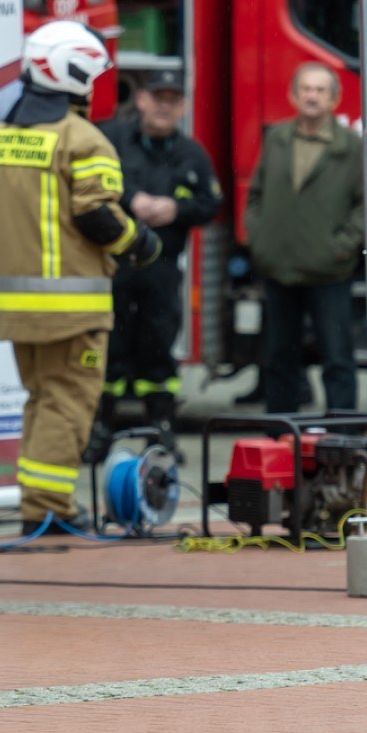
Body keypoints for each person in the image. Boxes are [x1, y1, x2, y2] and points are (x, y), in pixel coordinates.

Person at [0, 20, 160, 535]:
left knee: (42, 400)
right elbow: (96, 216)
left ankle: (37, 501)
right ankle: (49, 508)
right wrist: (140, 244)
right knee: (68, 403)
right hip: (72, 306)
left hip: (17, 304)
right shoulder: (83, 139)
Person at [92, 67, 222, 455]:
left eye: (173, 101)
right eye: (158, 98)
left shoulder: (192, 153)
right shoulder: (112, 139)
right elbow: (90, 185)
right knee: (109, 346)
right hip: (114, 264)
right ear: (142, 100)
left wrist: (175, 209)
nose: (164, 107)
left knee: (158, 347)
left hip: (162, 269)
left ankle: (161, 429)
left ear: (182, 107)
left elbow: (211, 203)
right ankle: (100, 430)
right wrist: (131, 199)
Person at [243, 62, 366, 417]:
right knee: (280, 359)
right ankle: (280, 436)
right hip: (279, 269)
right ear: (294, 96)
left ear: (335, 99)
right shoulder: (277, 139)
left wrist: (340, 248)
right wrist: (260, 240)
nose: (312, 96)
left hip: (329, 273)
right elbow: (256, 195)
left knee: (337, 359)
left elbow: (366, 206)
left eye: (320, 90)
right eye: (306, 89)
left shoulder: (350, 146)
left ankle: (342, 435)